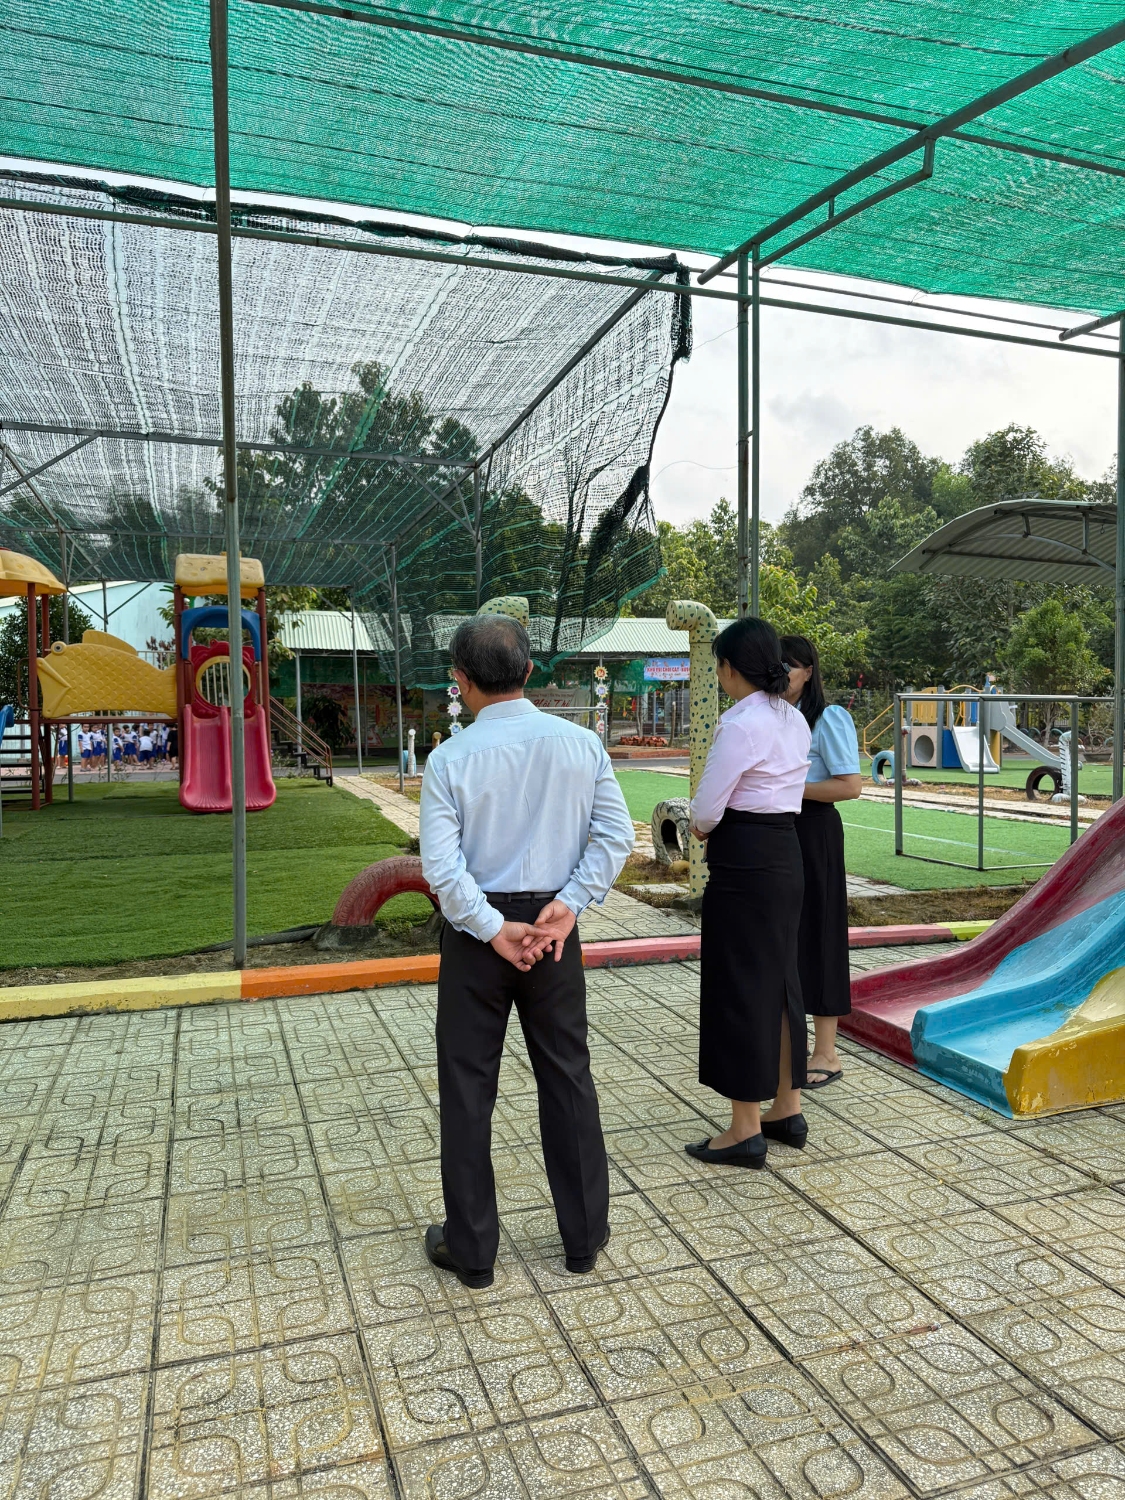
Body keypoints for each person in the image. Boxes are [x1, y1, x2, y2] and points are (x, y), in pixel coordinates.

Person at [420, 614, 634, 1288]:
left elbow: (442, 869)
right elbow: (615, 837)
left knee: (467, 1088)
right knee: (567, 1078)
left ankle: (473, 1250)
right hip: (552, 932)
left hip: (476, 937)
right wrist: (568, 906)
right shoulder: (580, 744)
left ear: (459, 680)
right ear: (530, 671)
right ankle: (583, 1238)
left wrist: (490, 928)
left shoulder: (450, 758)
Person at [684, 617, 812, 1168]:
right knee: (781, 982)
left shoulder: (739, 723)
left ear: (731, 668)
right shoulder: (793, 719)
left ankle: (744, 1128)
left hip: (744, 861)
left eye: (719, 665)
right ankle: (788, 1108)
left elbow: (707, 809)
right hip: (785, 853)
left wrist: (697, 825)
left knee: (740, 987)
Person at [780, 634, 863, 1090]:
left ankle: (827, 1051)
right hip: (778, 830)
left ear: (808, 671)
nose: (780, 675)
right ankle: (787, 1042)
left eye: (788, 666)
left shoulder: (828, 717)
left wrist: (789, 789)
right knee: (786, 935)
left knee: (821, 933)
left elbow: (850, 785)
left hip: (815, 831)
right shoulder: (773, 715)